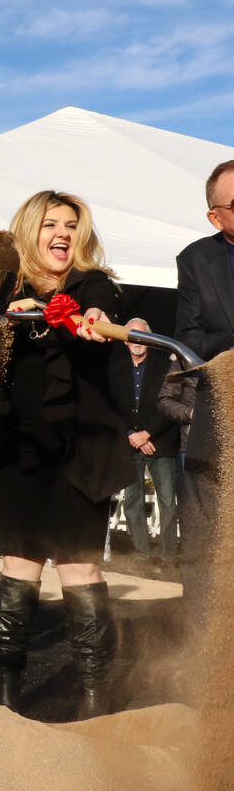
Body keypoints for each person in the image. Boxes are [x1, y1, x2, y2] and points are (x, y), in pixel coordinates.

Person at [0, 191, 128, 720]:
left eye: (71, 225)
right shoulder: (6, 288)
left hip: (81, 451)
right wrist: (5, 319)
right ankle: (6, 695)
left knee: (80, 566)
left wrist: (95, 317)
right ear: (30, 230)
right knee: (20, 563)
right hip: (21, 448)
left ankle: (93, 698)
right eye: (50, 224)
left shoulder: (91, 283)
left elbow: (103, 305)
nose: (61, 233)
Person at [173, 159, 234, 607]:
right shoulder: (196, 259)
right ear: (215, 215)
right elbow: (189, 341)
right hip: (222, 418)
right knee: (207, 543)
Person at [107, 318, 178, 566]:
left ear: (150, 339)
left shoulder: (165, 367)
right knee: (133, 499)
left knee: (168, 500)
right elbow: (112, 408)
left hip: (162, 441)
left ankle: (169, 555)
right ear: (126, 341)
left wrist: (148, 433)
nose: (137, 341)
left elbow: (171, 404)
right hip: (129, 444)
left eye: (142, 336)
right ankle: (141, 553)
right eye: (132, 336)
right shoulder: (115, 370)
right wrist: (130, 434)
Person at [156, 354, 194, 564]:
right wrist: (191, 413)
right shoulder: (187, 357)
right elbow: (164, 400)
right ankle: (195, 565)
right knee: (192, 510)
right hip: (194, 447)